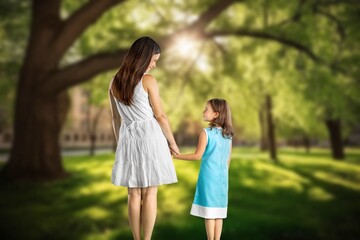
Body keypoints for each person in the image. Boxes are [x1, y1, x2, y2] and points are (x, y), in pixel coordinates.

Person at [109, 36, 179, 240]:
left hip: (127, 137)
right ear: (144, 57)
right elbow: (161, 116)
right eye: (154, 60)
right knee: (149, 193)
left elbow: (115, 117)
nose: (154, 65)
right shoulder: (148, 80)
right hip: (150, 137)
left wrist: (120, 141)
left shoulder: (114, 81)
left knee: (133, 193)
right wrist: (172, 143)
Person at [173, 98, 233, 240]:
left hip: (209, 178)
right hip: (222, 179)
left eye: (207, 109)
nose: (203, 111)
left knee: (209, 214)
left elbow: (197, 156)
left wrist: (176, 157)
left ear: (216, 114)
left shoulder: (206, 133)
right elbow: (227, 160)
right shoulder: (228, 135)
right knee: (218, 213)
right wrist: (223, 175)